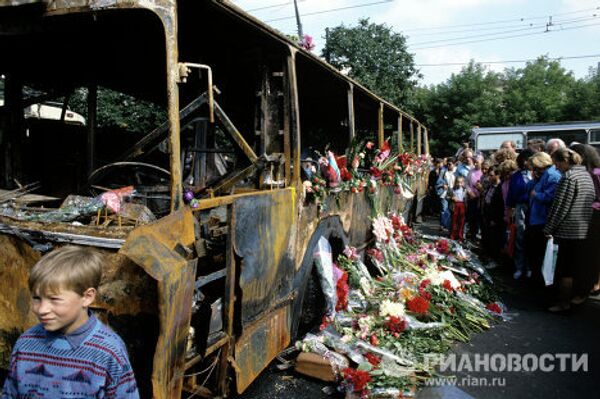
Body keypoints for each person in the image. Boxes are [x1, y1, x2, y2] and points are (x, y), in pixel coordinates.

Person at [2, 246, 139, 398]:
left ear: (87, 297)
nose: (41, 309)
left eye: (54, 299)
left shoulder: (108, 351)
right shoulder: (25, 343)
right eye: (37, 298)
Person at [544, 149, 595, 312]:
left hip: (567, 230)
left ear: (565, 161)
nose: (556, 167)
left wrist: (549, 227)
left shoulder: (569, 177)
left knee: (564, 269)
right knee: (575, 267)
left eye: (557, 163)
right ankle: (574, 300)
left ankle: (563, 303)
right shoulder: (586, 176)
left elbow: (560, 207)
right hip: (583, 228)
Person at [524, 152, 562, 282]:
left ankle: (540, 281)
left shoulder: (552, 176)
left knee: (540, 253)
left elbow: (550, 197)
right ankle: (536, 278)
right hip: (536, 218)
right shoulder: (545, 175)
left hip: (542, 219)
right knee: (534, 252)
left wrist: (536, 195)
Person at [569, 144, 600, 300]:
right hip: (588, 217)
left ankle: (585, 289)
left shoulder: (595, 174)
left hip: (593, 218)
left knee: (589, 255)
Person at [506, 150, 533, 279]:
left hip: (534, 208)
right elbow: (511, 194)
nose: (526, 162)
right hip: (520, 207)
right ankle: (519, 267)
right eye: (525, 159)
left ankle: (529, 267)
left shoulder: (536, 174)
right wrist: (510, 210)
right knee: (520, 238)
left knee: (531, 237)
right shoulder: (516, 176)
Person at [481, 166, 505, 259]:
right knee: (487, 237)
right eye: (489, 175)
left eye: (491, 175)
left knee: (494, 239)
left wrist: (494, 219)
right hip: (487, 215)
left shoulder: (500, 188)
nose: (489, 178)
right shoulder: (490, 186)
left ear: (498, 175)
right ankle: (487, 255)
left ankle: (494, 258)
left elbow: (499, 206)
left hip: (494, 218)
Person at [465, 155, 484, 240]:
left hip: (480, 198)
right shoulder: (471, 171)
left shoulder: (483, 172)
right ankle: (472, 233)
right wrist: (469, 192)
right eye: (475, 162)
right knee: (471, 216)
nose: (476, 164)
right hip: (471, 197)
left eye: (477, 162)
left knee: (478, 216)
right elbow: (466, 183)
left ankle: (477, 233)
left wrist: (479, 192)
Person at [436, 158, 457, 231]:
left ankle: (450, 225)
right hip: (444, 192)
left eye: (450, 164)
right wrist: (442, 185)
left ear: (454, 164)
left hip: (453, 193)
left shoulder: (456, 171)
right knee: (444, 209)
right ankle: (442, 224)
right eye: (447, 164)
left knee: (452, 210)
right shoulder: (443, 171)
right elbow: (439, 181)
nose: (448, 165)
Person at [450, 176, 467, 241]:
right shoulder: (453, 189)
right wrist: (452, 198)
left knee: (461, 221)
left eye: (461, 182)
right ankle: (453, 235)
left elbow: (466, 199)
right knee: (454, 221)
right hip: (456, 205)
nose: (459, 184)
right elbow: (448, 196)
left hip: (462, 205)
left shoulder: (464, 190)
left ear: (463, 183)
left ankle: (460, 236)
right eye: (458, 182)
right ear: (456, 182)